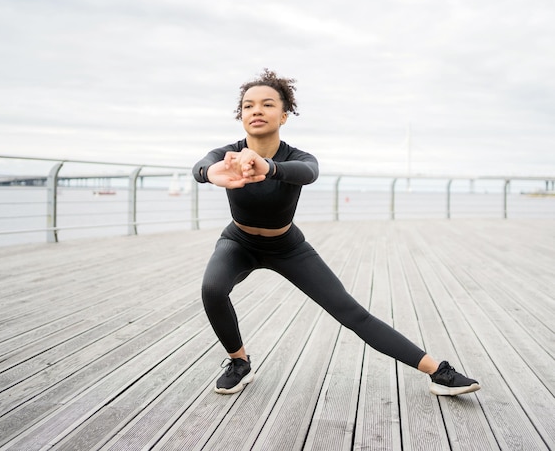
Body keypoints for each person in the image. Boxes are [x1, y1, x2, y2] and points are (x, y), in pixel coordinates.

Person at [192, 69, 480, 397]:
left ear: (284, 116)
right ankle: (239, 363)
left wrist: (268, 167)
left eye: (267, 104)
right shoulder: (226, 154)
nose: (256, 110)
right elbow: (203, 165)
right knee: (212, 290)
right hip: (239, 242)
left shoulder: (298, 158)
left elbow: (307, 173)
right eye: (248, 106)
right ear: (241, 115)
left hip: (286, 247)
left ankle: (437, 371)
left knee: (350, 311)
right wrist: (208, 172)